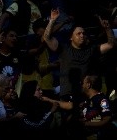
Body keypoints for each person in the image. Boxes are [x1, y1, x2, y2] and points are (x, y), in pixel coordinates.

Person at [43, 8, 115, 137]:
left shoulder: (91, 49)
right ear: (71, 37)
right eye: (78, 33)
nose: (82, 35)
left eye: (83, 33)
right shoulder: (64, 49)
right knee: (70, 128)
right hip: (68, 95)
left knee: (87, 130)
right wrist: (52, 20)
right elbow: (47, 38)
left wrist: (108, 29)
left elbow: (111, 45)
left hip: (85, 97)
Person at [79, 75, 116, 140]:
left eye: (82, 82)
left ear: (88, 85)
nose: (81, 85)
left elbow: (106, 119)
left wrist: (86, 124)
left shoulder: (102, 100)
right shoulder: (88, 100)